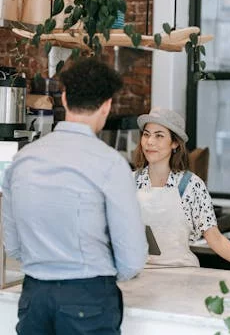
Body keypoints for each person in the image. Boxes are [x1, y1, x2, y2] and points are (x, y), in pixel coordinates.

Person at [2, 58, 148, 335]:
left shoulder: (22, 159)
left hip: (34, 297)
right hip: (88, 297)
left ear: (65, 99)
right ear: (106, 105)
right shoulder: (110, 164)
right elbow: (132, 258)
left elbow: (13, 247)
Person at [133, 106, 230, 267]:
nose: (150, 142)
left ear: (174, 143)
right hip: (140, 273)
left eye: (159, 136)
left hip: (182, 275)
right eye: (146, 135)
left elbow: (215, 239)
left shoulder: (191, 186)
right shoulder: (130, 183)